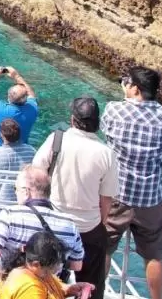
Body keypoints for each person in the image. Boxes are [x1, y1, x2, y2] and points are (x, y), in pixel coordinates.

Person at [102, 66, 162, 299]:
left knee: (104, 248)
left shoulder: (114, 110)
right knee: (153, 256)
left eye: (127, 83)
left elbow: (107, 131)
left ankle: (96, 295)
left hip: (118, 194)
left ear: (135, 88)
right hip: (151, 198)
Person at [32, 98, 118, 299]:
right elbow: (106, 198)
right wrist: (100, 223)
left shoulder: (57, 140)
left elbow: (36, 173)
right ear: (97, 123)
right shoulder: (107, 153)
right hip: (88, 227)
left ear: (72, 119)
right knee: (91, 284)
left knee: (46, 277)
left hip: (53, 222)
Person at [0, 166, 84, 275]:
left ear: (26, 191)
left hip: (10, 284)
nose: (16, 193)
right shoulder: (69, 224)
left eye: (15, 189)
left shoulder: (10, 215)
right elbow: (77, 265)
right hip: (48, 288)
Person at [0, 231, 95, 299]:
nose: (50, 274)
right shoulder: (30, 289)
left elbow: (52, 287)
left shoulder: (35, 272)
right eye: (49, 270)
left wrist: (69, 290)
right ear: (36, 264)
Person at [0, 66, 38, 161]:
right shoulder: (32, 110)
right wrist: (17, 76)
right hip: (19, 161)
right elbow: (31, 95)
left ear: (8, 97)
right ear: (26, 98)